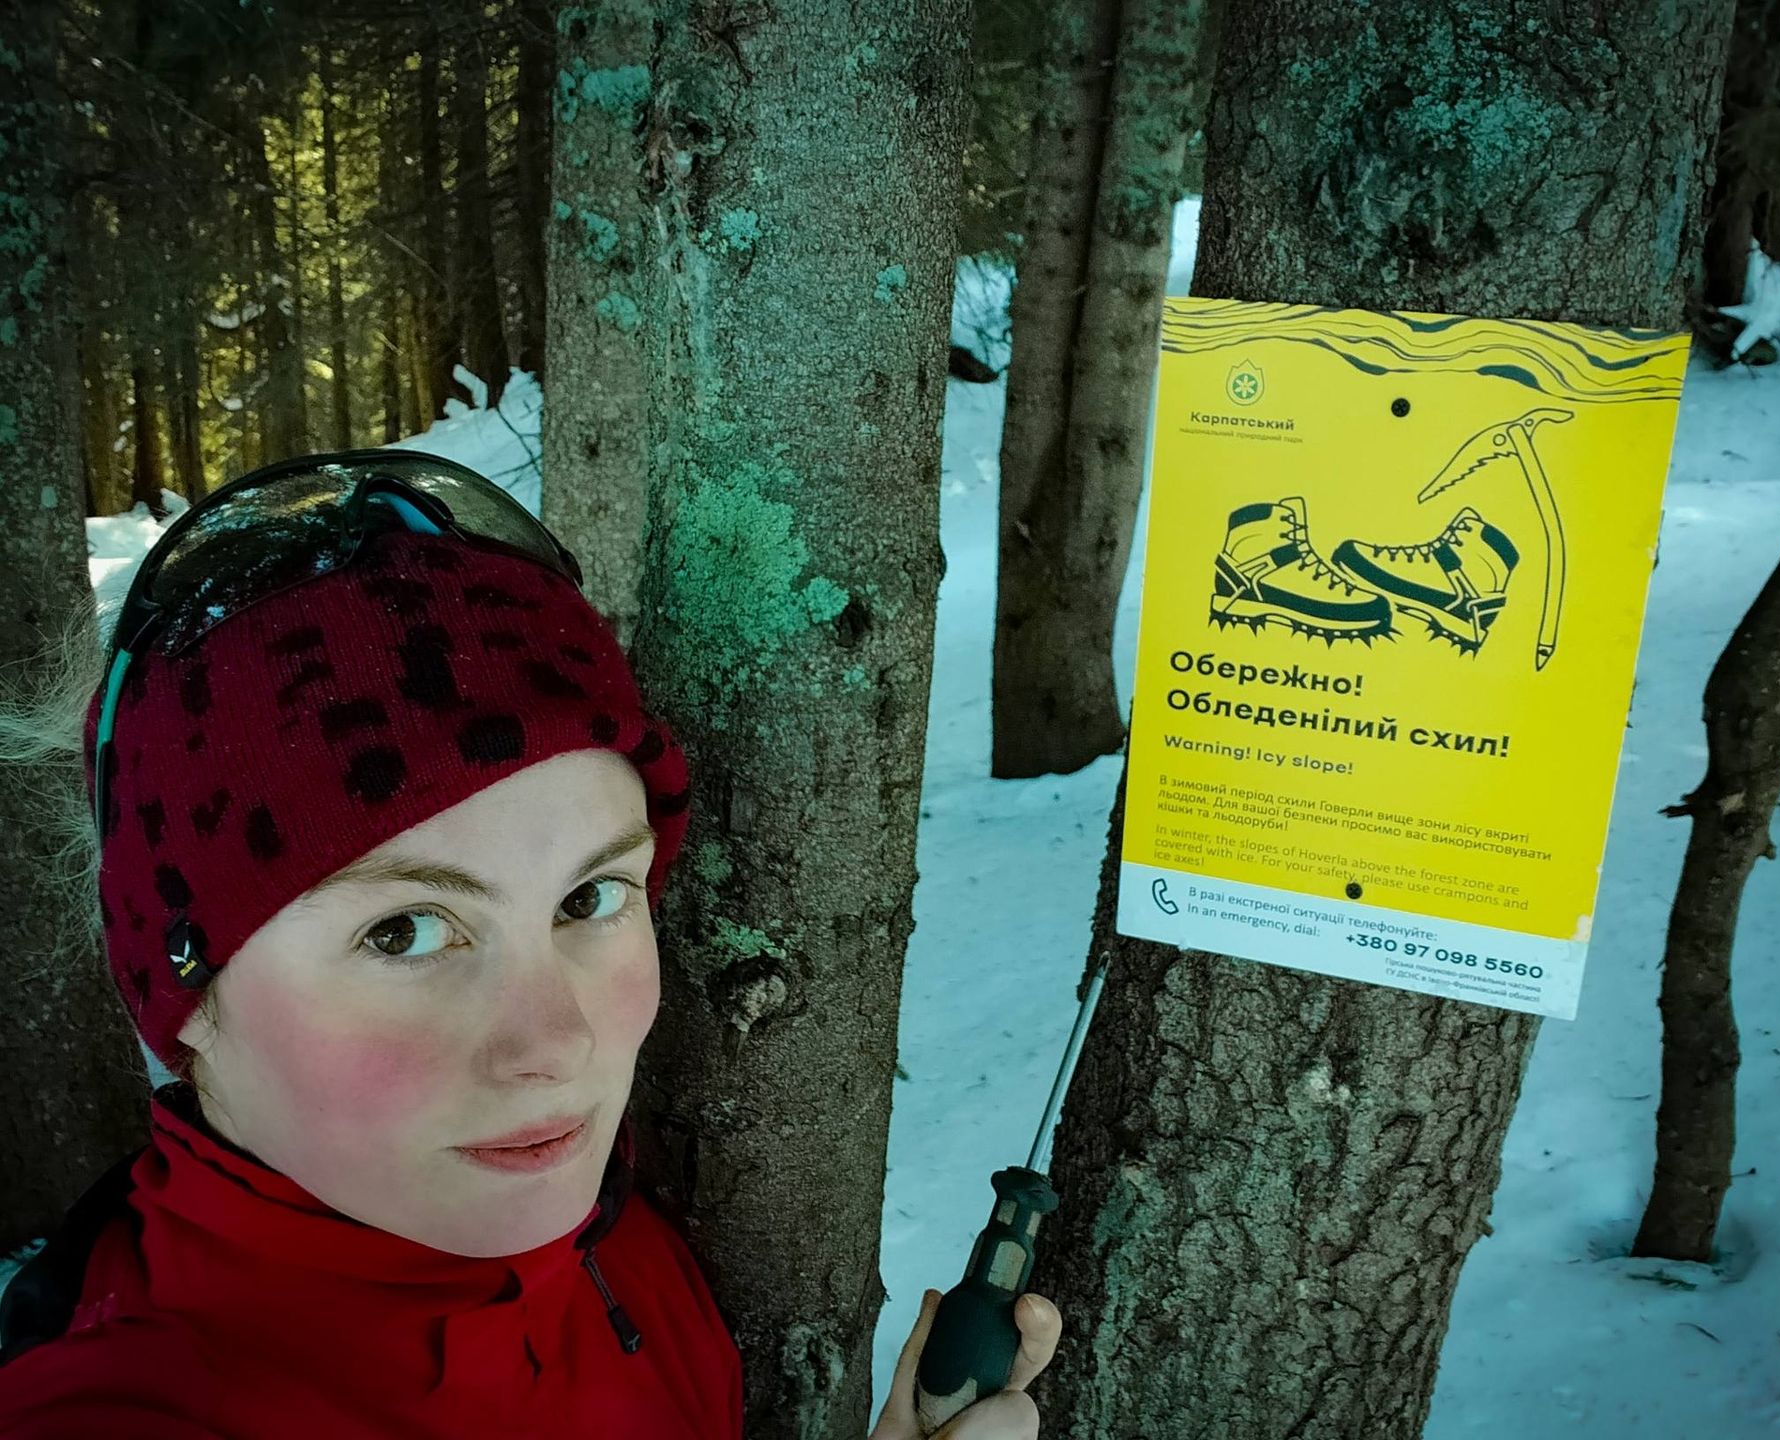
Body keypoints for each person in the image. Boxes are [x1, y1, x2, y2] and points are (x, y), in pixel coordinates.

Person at [0, 450, 1060, 1438]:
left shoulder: (615, 1248)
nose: (555, 1045)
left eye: (590, 898)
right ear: (188, 999)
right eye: (404, 930)